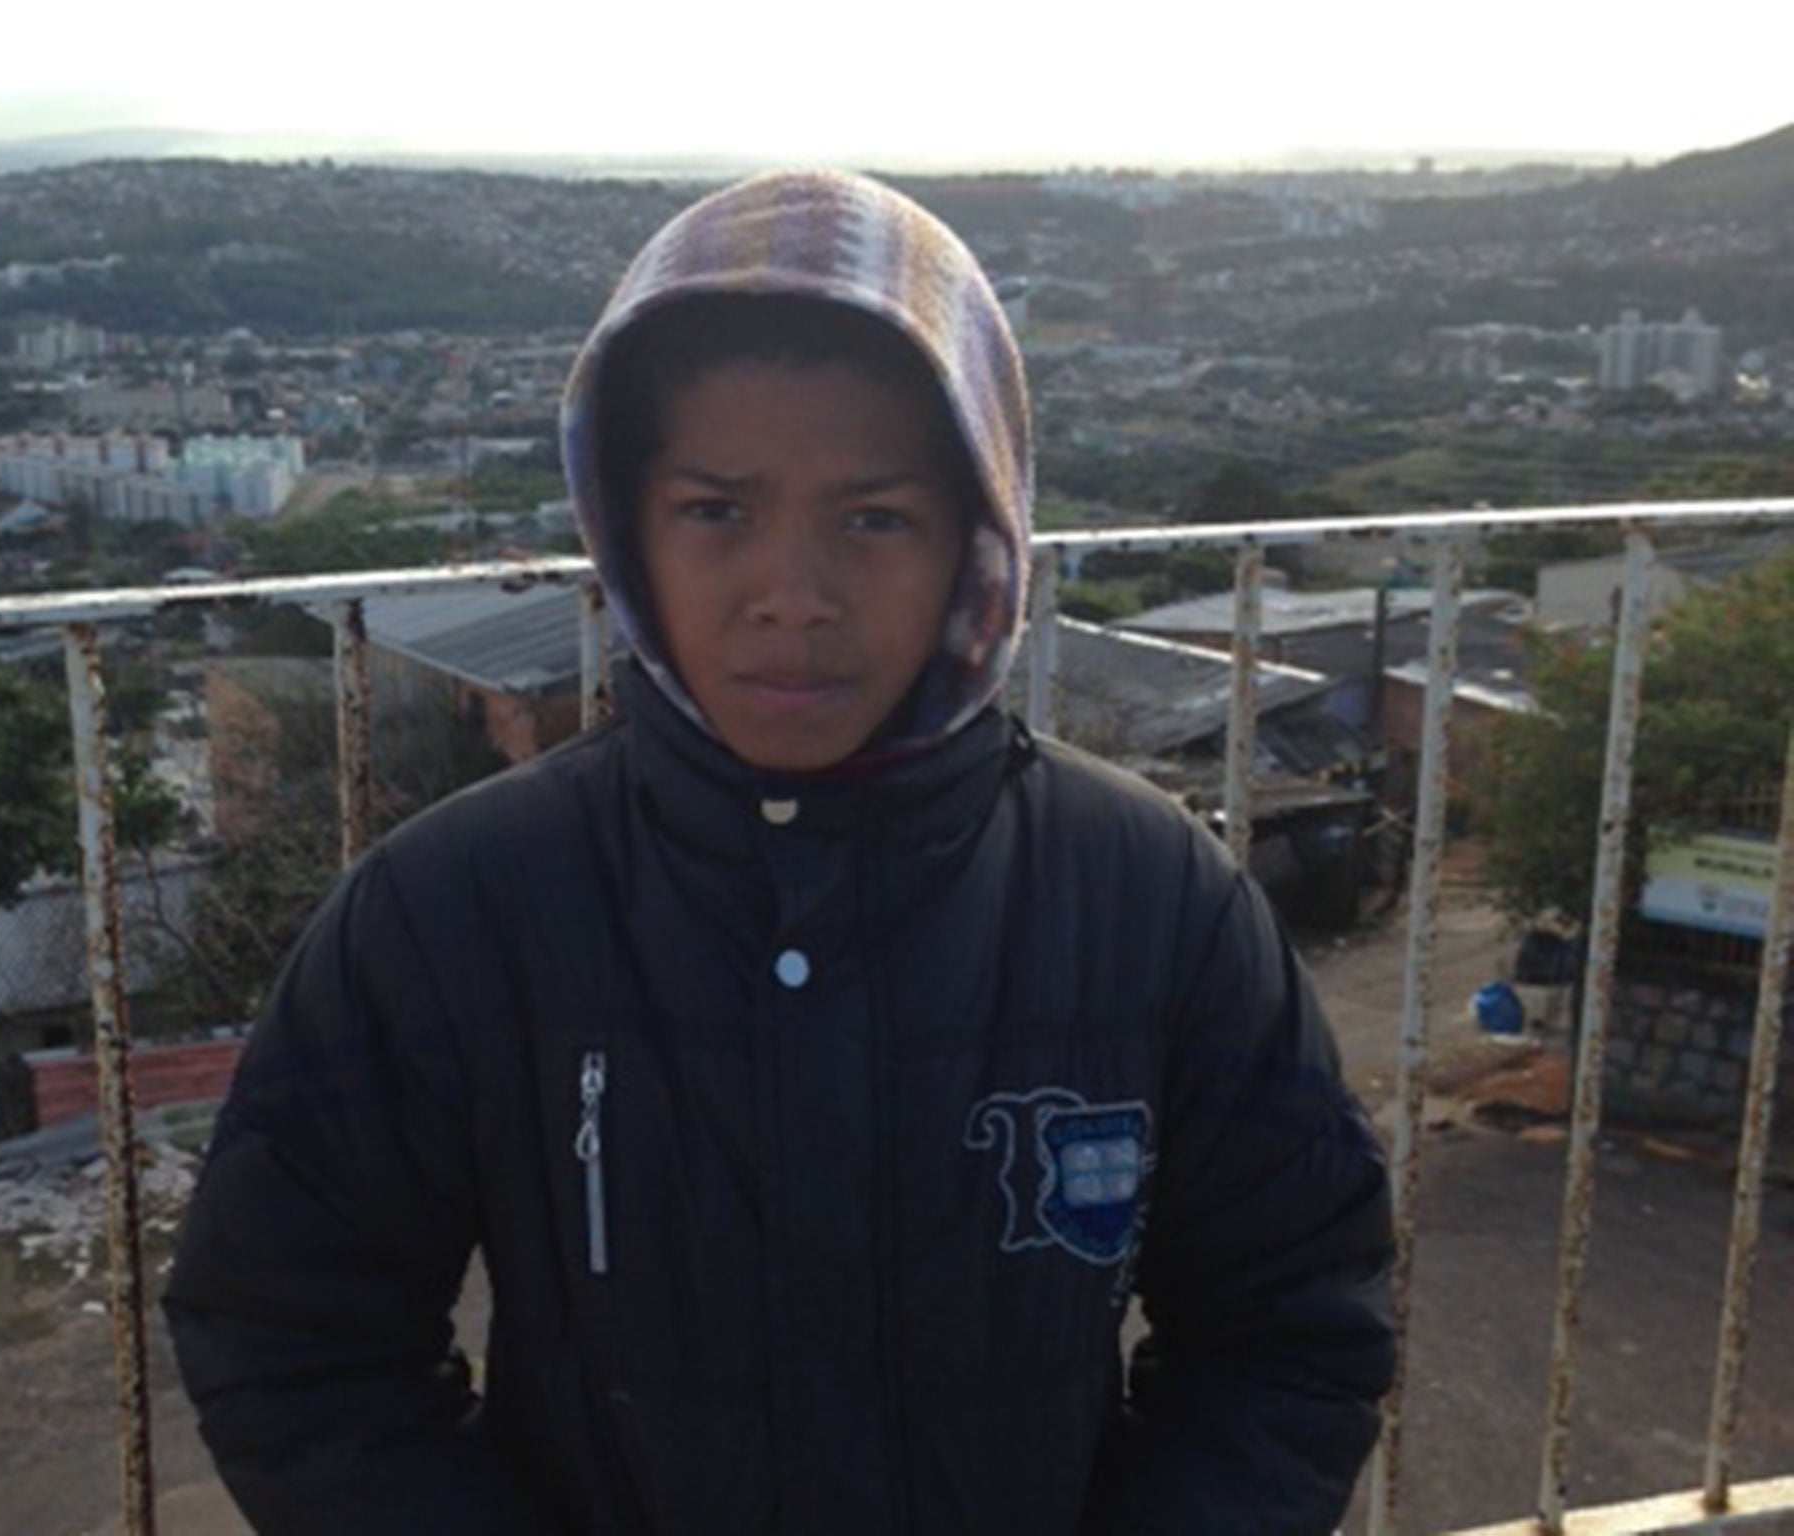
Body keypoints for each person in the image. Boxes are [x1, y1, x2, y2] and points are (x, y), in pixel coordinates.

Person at [165, 169, 1395, 1536]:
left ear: (978, 544)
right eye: (716, 511)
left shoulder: (1149, 901)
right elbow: (294, 1338)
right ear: (625, 528)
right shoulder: (455, 907)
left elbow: (1291, 1324)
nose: (792, 600)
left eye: (874, 518)